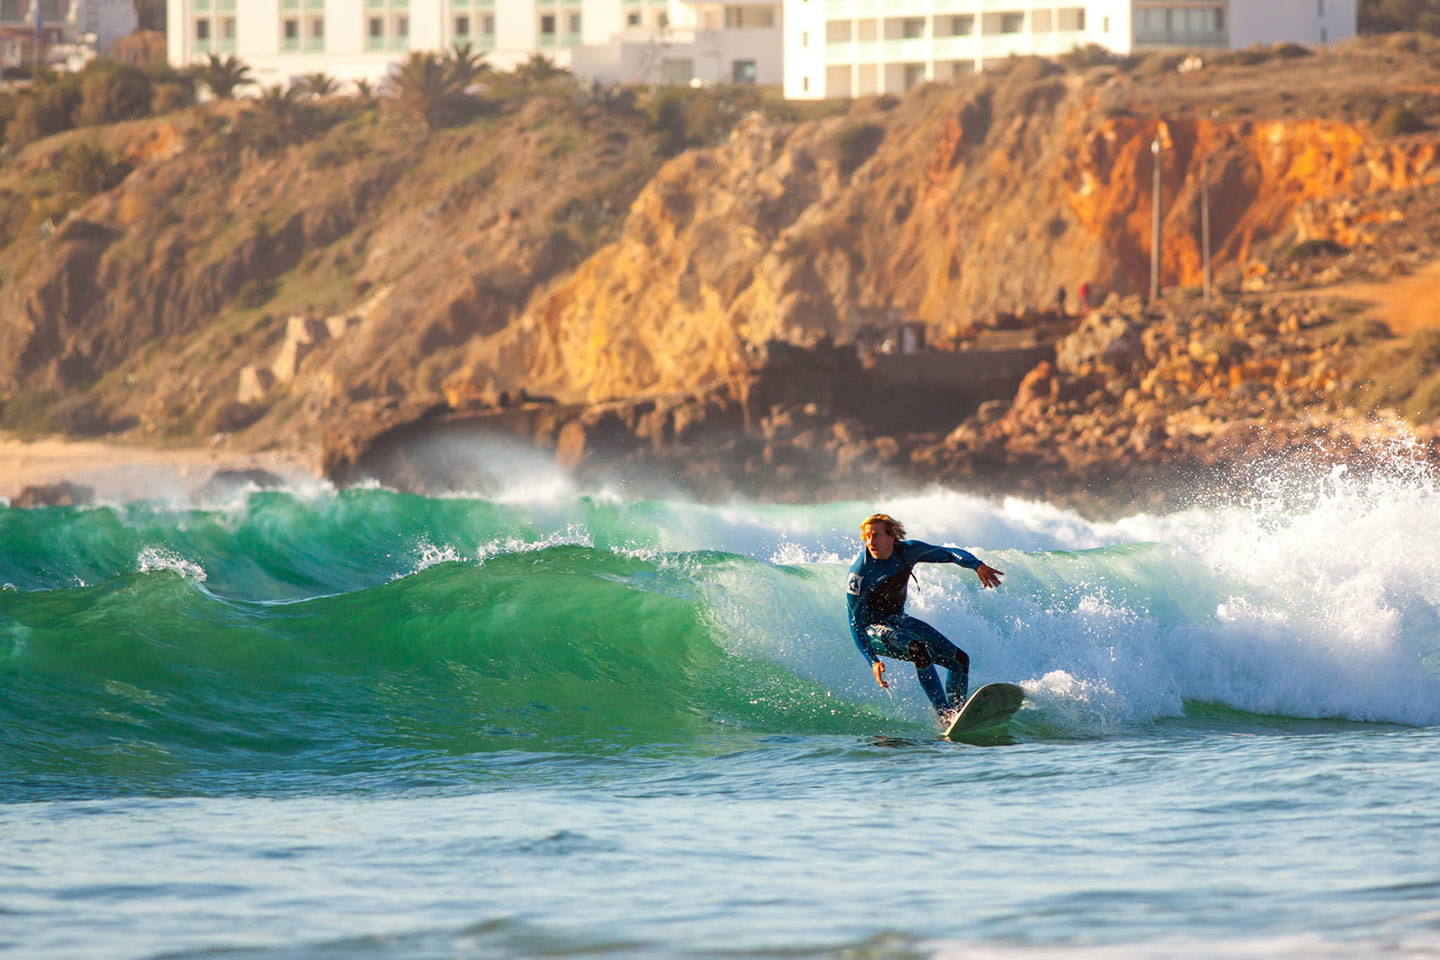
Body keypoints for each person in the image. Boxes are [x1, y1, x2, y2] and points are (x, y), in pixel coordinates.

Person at [846, 513, 1003, 724]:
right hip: (874, 630)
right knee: (918, 649)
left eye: (876, 535)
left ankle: (957, 715)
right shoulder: (859, 573)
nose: (871, 542)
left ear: (892, 536)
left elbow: (947, 553)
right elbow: (855, 622)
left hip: (900, 621)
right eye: (867, 536)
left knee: (960, 660)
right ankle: (944, 714)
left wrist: (976, 565)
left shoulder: (908, 551)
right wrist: (872, 661)